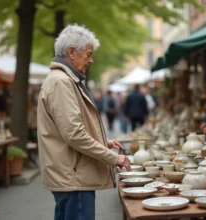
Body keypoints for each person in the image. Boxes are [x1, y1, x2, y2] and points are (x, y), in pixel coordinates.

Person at [37, 24, 131, 220]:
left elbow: (66, 131)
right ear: (72, 52)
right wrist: (114, 158)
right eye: (88, 54)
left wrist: (102, 142)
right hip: (74, 178)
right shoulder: (62, 82)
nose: (91, 59)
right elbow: (74, 134)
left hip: (70, 175)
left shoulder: (62, 79)